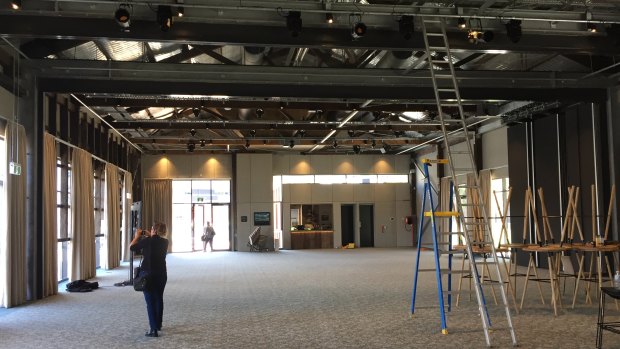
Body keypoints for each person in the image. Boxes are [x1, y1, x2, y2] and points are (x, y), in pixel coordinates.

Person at [130, 222, 169, 338]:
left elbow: (132, 247)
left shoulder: (148, 241)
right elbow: (155, 242)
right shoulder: (165, 242)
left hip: (148, 275)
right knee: (159, 298)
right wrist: (149, 235)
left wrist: (137, 236)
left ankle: (153, 330)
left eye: (152, 229)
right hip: (162, 274)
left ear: (154, 230)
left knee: (150, 302)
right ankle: (158, 324)